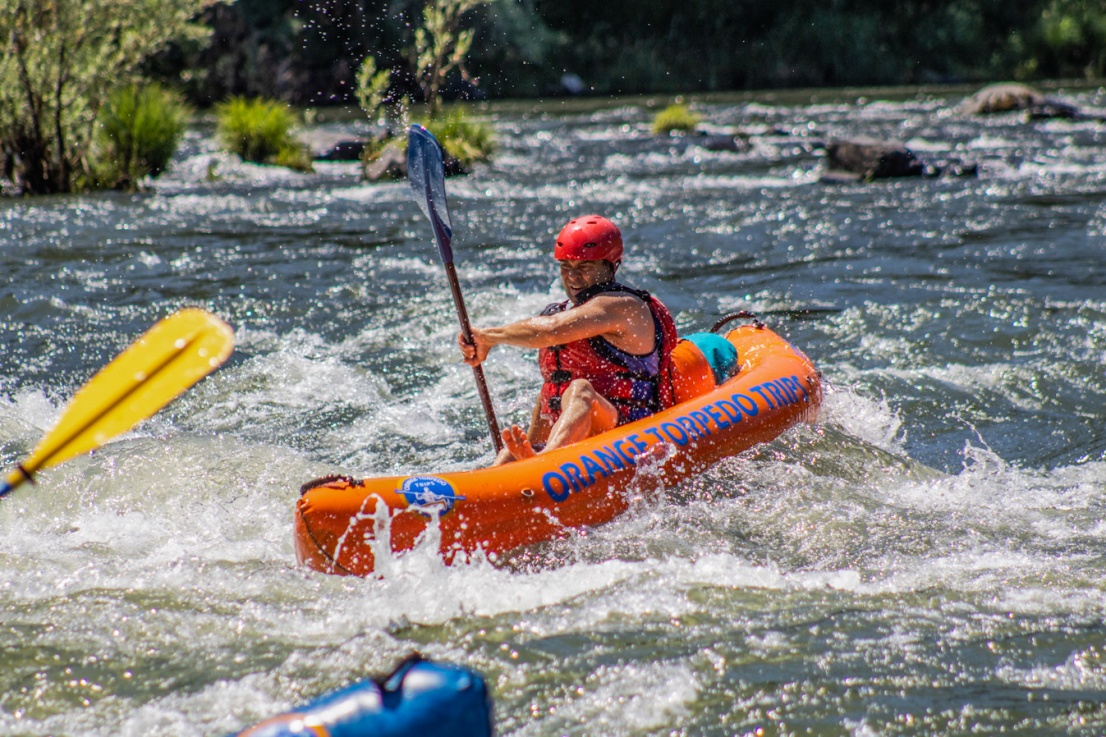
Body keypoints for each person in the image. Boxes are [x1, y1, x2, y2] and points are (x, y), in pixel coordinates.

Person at [459, 215, 678, 465]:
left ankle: (545, 465)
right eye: (566, 267)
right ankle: (525, 468)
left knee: (579, 389)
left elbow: (550, 330)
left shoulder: (623, 306)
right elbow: (551, 394)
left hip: (632, 433)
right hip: (579, 439)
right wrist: (528, 447)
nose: (573, 277)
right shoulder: (563, 311)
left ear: (612, 265)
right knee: (510, 452)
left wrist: (488, 337)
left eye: (584, 267)